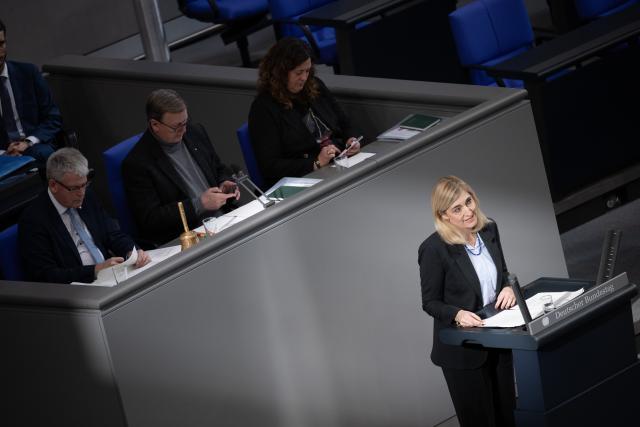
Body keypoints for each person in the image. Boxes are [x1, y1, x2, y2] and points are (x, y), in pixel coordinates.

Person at [417, 175, 517, 427]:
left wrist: (508, 287)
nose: (468, 211)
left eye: (468, 201)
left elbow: (503, 271)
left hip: (497, 339)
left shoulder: (489, 228)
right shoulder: (433, 249)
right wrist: (457, 314)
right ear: (444, 216)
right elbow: (430, 302)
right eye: (457, 208)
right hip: (463, 352)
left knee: (508, 416)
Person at [122, 89, 240, 246]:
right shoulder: (138, 164)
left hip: (225, 221)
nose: (184, 130)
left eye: (185, 122)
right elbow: (151, 220)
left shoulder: (195, 132)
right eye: (177, 126)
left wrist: (224, 182)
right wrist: (199, 204)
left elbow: (218, 168)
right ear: (155, 125)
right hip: (189, 239)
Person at [18, 148, 150, 284]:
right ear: (53, 185)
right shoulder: (33, 220)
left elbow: (113, 234)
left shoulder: (88, 197)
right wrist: (95, 271)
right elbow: (46, 275)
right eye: (74, 188)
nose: (81, 193)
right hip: (78, 291)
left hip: (112, 278)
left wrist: (132, 252)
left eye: (84, 185)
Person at [248, 37, 361, 188]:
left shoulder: (315, 86)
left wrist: (351, 139)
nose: (304, 78)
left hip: (337, 165)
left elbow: (344, 122)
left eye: (307, 71)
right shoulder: (263, 108)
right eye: (298, 72)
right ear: (280, 73)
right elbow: (270, 166)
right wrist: (315, 163)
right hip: (302, 180)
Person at [0, 19, 61, 165]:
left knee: (48, 157)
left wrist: (28, 142)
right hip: (2, 155)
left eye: (1, 44)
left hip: (34, 146)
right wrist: (4, 153)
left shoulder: (28, 73)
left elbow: (53, 118)